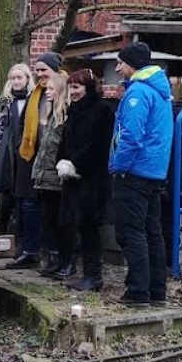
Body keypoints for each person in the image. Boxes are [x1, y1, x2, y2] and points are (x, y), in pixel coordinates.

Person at [109, 41, 173, 307]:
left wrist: (119, 167)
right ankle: (157, 291)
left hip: (134, 171)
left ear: (132, 64)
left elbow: (131, 136)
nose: (117, 67)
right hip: (155, 172)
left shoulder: (137, 93)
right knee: (152, 232)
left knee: (131, 233)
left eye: (121, 62)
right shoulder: (160, 91)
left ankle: (137, 292)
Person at [58, 68, 115, 292]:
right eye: (71, 87)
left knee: (90, 227)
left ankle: (94, 276)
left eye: (77, 87)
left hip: (92, 178)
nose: (73, 92)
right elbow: (66, 140)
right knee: (80, 226)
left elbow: (97, 144)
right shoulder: (74, 111)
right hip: (74, 177)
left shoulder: (102, 110)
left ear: (88, 88)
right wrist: (62, 160)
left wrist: (75, 164)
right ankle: (86, 273)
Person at [6, 51, 62, 268]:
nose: (40, 74)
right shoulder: (35, 94)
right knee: (28, 206)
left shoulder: (61, 90)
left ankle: (53, 253)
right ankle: (30, 250)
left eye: (43, 70)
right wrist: (23, 145)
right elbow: (22, 124)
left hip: (51, 157)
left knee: (49, 209)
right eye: (37, 70)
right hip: (29, 156)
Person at [32, 73, 72, 277]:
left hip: (57, 177)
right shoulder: (48, 117)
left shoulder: (65, 116)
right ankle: (54, 258)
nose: (46, 92)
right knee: (48, 219)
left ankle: (66, 261)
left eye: (50, 89)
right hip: (44, 176)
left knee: (60, 221)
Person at [0, 63, 36, 239]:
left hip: (26, 152)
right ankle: (3, 230)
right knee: (7, 196)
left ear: (27, 79)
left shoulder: (33, 100)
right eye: (13, 78)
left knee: (25, 198)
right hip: (8, 155)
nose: (16, 81)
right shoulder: (4, 103)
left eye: (19, 77)